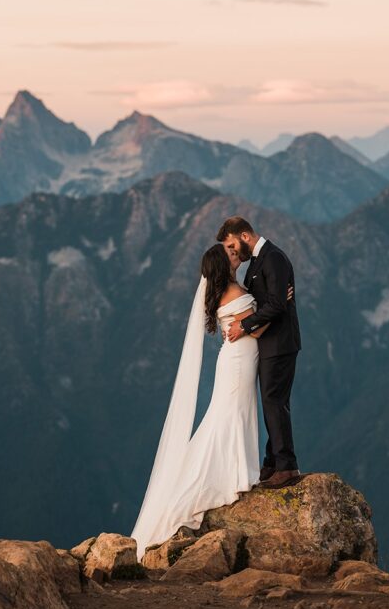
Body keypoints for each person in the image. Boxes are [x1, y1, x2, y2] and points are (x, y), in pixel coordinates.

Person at [129, 242, 292, 559]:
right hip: (239, 362)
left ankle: (235, 469)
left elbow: (252, 322)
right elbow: (257, 331)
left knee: (231, 413)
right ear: (222, 264)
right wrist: (279, 305)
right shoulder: (231, 293)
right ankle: (229, 474)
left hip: (238, 359)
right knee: (229, 414)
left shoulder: (231, 288)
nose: (236, 253)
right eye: (230, 254)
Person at [218, 216, 302, 490]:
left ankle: (287, 466)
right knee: (272, 401)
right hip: (269, 343)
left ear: (244, 235)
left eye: (232, 244)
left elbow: (276, 304)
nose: (232, 251)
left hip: (279, 343)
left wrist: (243, 323)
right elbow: (270, 302)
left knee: (273, 401)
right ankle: (272, 462)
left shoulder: (273, 258)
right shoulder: (256, 262)